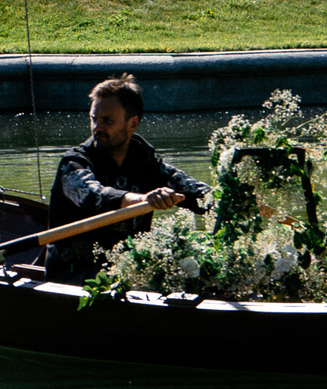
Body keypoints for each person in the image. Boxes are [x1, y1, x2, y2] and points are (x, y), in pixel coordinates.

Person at [45, 73, 209, 283]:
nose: (97, 128)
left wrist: (226, 199)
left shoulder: (145, 160)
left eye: (107, 121)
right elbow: (95, 197)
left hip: (129, 275)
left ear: (132, 124)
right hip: (75, 278)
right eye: (94, 119)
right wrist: (145, 199)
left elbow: (188, 189)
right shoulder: (74, 164)